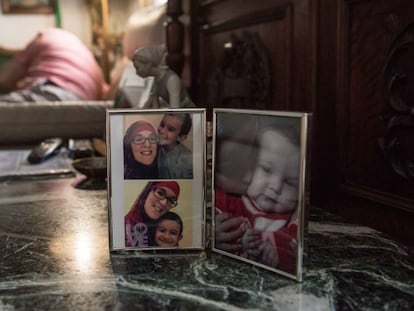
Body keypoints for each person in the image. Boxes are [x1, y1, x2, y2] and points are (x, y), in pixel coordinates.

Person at [215, 123, 300, 274]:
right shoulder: (228, 201)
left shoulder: (294, 219)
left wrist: (278, 249)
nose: (276, 186)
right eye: (266, 170)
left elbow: (295, 245)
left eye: (290, 182)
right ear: (249, 168)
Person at [0, 28, 108, 101]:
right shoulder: (85, 54)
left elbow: (4, 79)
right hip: (88, 110)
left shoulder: (43, 37)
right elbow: (105, 93)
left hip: (53, 94)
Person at [125, 181, 180, 248]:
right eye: (160, 193)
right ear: (148, 192)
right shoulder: (124, 225)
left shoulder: (165, 231)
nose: (164, 203)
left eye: (171, 200)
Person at [157, 113, 193, 179]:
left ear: (181, 137)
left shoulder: (187, 159)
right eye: (162, 125)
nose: (162, 131)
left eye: (170, 129)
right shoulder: (154, 148)